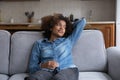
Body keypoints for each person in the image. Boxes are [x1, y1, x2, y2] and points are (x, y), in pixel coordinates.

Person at [26, 13, 86, 80]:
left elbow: (82, 22)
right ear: (51, 27)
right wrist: (44, 65)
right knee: (32, 78)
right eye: (59, 25)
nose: (62, 28)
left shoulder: (69, 40)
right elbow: (32, 68)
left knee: (59, 78)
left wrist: (69, 25)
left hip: (67, 69)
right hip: (47, 71)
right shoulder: (39, 44)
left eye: (64, 27)